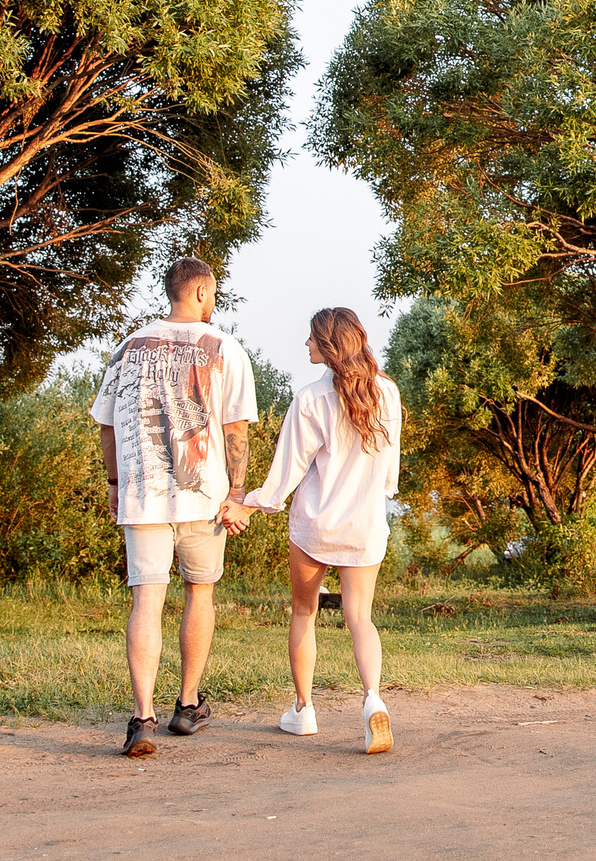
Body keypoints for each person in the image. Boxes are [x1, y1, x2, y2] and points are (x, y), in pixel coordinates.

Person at [92, 257, 260, 758]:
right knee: (200, 594)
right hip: (203, 495)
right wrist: (236, 493)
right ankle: (187, 706)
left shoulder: (128, 347)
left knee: (146, 600)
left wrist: (115, 481)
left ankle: (142, 719)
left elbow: (106, 424)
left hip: (142, 495)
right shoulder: (226, 348)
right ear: (204, 293)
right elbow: (236, 430)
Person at [226, 307, 404, 754]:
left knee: (303, 614)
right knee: (359, 617)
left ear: (327, 347)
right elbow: (389, 473)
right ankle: (372, 700)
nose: (305, 346)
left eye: (310, 340)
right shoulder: (388, 392)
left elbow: (287, 471)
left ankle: (304, 710)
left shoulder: (310, 398)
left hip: (315, 528)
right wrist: (380, 492)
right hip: (365, 527)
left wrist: (248, 506)